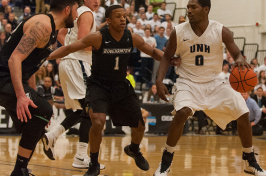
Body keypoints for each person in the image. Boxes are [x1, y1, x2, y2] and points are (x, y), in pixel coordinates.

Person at [48, 5, 175, 176]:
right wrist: (46, 56)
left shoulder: (131, 37)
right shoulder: (98, 37)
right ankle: (93, 163)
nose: (123, 19)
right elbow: (70, 48)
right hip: (99, 86)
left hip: (120, 86)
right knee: (98, 122)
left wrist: (171, 60)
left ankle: (134, 149)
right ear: (108, 20)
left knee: (139, 126)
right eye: (118, 16)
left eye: (124, 16)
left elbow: (152, 51)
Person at [155, 0, 266, 175]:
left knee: (242, 112)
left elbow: (236, 52)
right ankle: (165, 161)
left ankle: (250, 160)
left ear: (206, 10)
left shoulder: (221, 30)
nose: (189, 10)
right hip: (188, 82)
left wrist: (238, 59)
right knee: (183, 112)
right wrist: (159, 80)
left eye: (194, 7)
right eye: (188, 7)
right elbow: (167, 56)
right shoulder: (179, 31)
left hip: (215, 82)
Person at [0, 0, 79, 175]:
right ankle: (19, 171)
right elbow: (15, 59)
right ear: (67, 9)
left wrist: (32, 94)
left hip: (11, 80)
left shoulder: (52, 29)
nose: (77, 14)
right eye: (76, 9)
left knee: (34, 119)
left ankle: (21, 169)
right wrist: (22, 96)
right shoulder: (42, 25)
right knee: (43, 110)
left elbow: (31, 65)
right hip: (4, 79)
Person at [42, 0, 105, 170]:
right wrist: (104, 48)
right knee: (90, 109)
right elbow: (84, 43)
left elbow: (62, 33)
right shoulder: (87, 13)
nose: (97, 1)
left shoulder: (77, 13)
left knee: (81, 110)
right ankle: (80, 156)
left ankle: (53, 135)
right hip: (78, 63)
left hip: (69, 63)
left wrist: (70, 48)